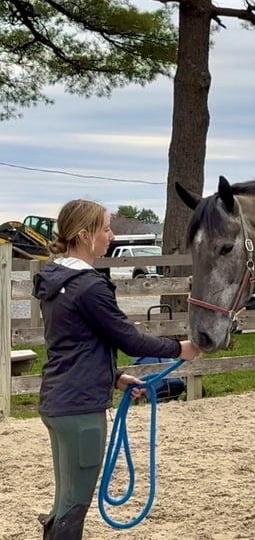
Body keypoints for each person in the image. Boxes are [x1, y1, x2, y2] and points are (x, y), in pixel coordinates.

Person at [33, 199, 201, 539]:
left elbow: (74, 345)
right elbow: (130, 340)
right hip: (80, 409)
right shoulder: (89, 286)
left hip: (58, 402)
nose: (111, 236)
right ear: (84, 235)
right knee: (74, 507)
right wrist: (180, 349)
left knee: (64, 502)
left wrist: (115, 378)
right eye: (106, 229)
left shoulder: (55, 279)